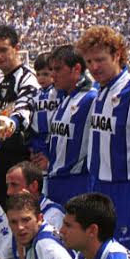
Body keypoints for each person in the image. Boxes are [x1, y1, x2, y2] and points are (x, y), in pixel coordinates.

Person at [76, 26, 130, 249]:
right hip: (97, 185)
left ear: (117, 55)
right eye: (89, 61)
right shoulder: (100, 90)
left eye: (100, 59)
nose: (94, 67)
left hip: (126, 189)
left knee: (124, 255)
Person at [0, 25, 40, 208]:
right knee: (3, 214)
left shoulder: (28, 79)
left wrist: (10, 124)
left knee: (22, 214)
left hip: (24, 160)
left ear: (16, 48)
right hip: (3, 157)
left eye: (3, 50)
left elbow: (23, 113)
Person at [35, 45, 96, 207]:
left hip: (77, 183)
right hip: (55, 180)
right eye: (51, 70)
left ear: (76, 69)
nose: (53, 75)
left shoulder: (92, 99)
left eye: (58, 69)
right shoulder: (64, 97)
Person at [5, 162, 64, 231]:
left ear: (33, 186)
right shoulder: (13, 213)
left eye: (14, 185)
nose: (9, 192)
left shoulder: (53, 215)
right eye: (7, 186)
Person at [27, 52, 60, 164]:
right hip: (37, 141)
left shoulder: (59, 93)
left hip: (54, 138)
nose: (41, 78)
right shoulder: (34, 95)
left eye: (45, 74)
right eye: (38, 74)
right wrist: (30, 144)